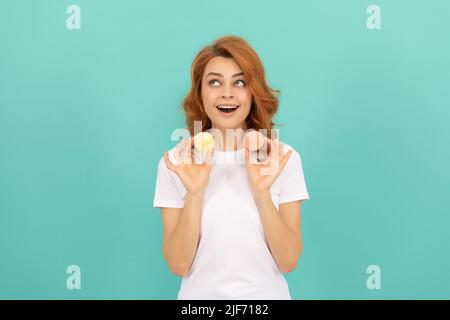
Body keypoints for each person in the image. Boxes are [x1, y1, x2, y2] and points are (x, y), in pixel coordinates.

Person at [153, 35, 310, 299]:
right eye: (214, 82)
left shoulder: (282, 159)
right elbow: (178, 264)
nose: (227, 93)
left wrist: (262, 193)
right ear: (200, 92)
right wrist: (194, 193)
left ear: (253, 92)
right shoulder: (176, 163)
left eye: (240, 82)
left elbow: (288, 261)